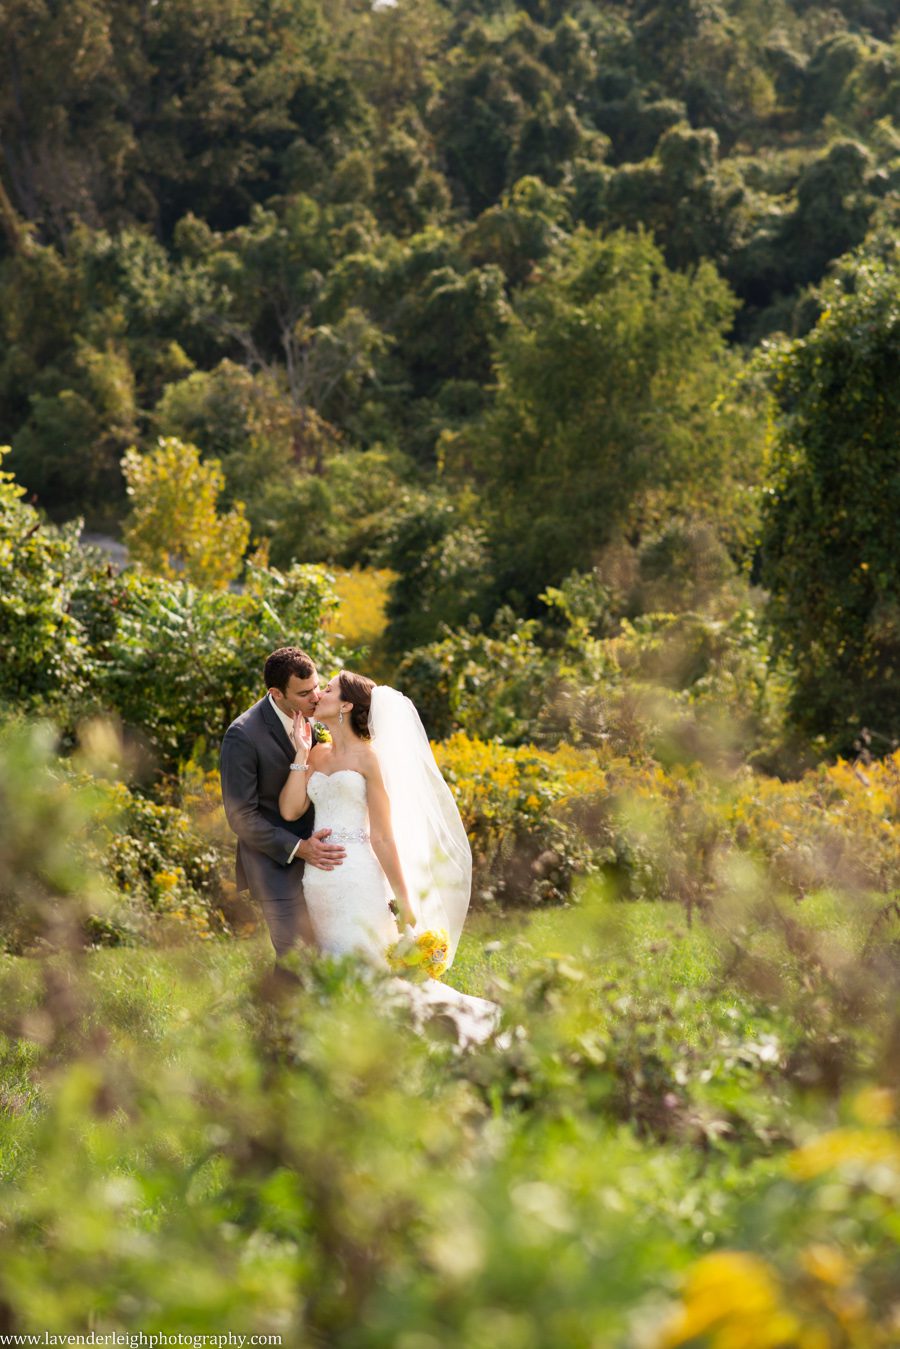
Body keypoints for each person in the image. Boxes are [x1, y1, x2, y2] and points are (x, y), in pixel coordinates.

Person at [278, 669, 499, 1043]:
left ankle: (386, 1040)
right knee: (330, 964)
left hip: (358, 880)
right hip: (318, 882)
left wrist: (405, 901)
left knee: (366, 966)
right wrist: (300, 754)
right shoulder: (315, 752)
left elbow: (382, 835)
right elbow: (290, 810)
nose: (319, 696)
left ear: (346, 704)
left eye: (328, 689)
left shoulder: (369, 759)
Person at [219, 647, 346, 962]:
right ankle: (277, 1012)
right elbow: (241, 817)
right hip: (274, 866)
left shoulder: (315, 719)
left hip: (324, 864)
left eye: (317, 686)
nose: (315, 697)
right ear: (276, 693)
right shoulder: (243, 735)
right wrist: (299, 847)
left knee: (328, 957)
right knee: (295, 959)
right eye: (304, 693)